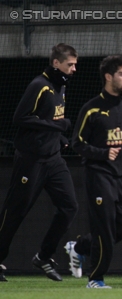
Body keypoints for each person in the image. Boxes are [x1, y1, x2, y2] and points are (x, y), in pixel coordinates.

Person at [0, 43, 79, 281]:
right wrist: (57, 126)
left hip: (53, 159)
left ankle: (44, 256)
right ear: (56, 63)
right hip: (31, 159)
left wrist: (60, 137)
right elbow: (21, 117)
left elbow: (46, 118)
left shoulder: (59, 86)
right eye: (70, 64)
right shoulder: (39, 85)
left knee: (69, 207)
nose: (74, 69)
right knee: (16, 210)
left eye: (75, 64)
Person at [68, 55, 122, 289]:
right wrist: (103, 153)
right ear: (108, 77)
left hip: (121, 176)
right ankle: (96, 278)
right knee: (104, 229)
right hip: (98, 174)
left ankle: (79, 247)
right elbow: (77, 144)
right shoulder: (91, 109)